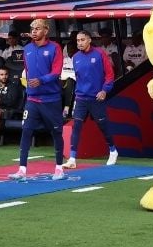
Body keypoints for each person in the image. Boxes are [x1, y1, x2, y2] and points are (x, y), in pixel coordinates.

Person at [9, 19, 67, 181]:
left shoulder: (54, 47)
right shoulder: (27, 49)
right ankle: (21, 169)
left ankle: (59, 168)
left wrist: (41, 80)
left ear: (46, 30)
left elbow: (56, 72)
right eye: (32, 28)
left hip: (51, 98)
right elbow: (27, 71)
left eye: (37, 28)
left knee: (56, 132)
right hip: (33, 98)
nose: (34, 31)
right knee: (26, 130)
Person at [67, 31, 119, 168]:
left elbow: (109, 75)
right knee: (76, 126)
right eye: (78, 40)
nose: (79, 43)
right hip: (81, 98)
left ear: (89, 40)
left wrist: (104, 90)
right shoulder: (75, 57)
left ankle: (113, 150)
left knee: (103, 126)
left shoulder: (99, 53)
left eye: (82, 40)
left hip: (96, 98)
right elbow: (79, 78)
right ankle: (72, 158)